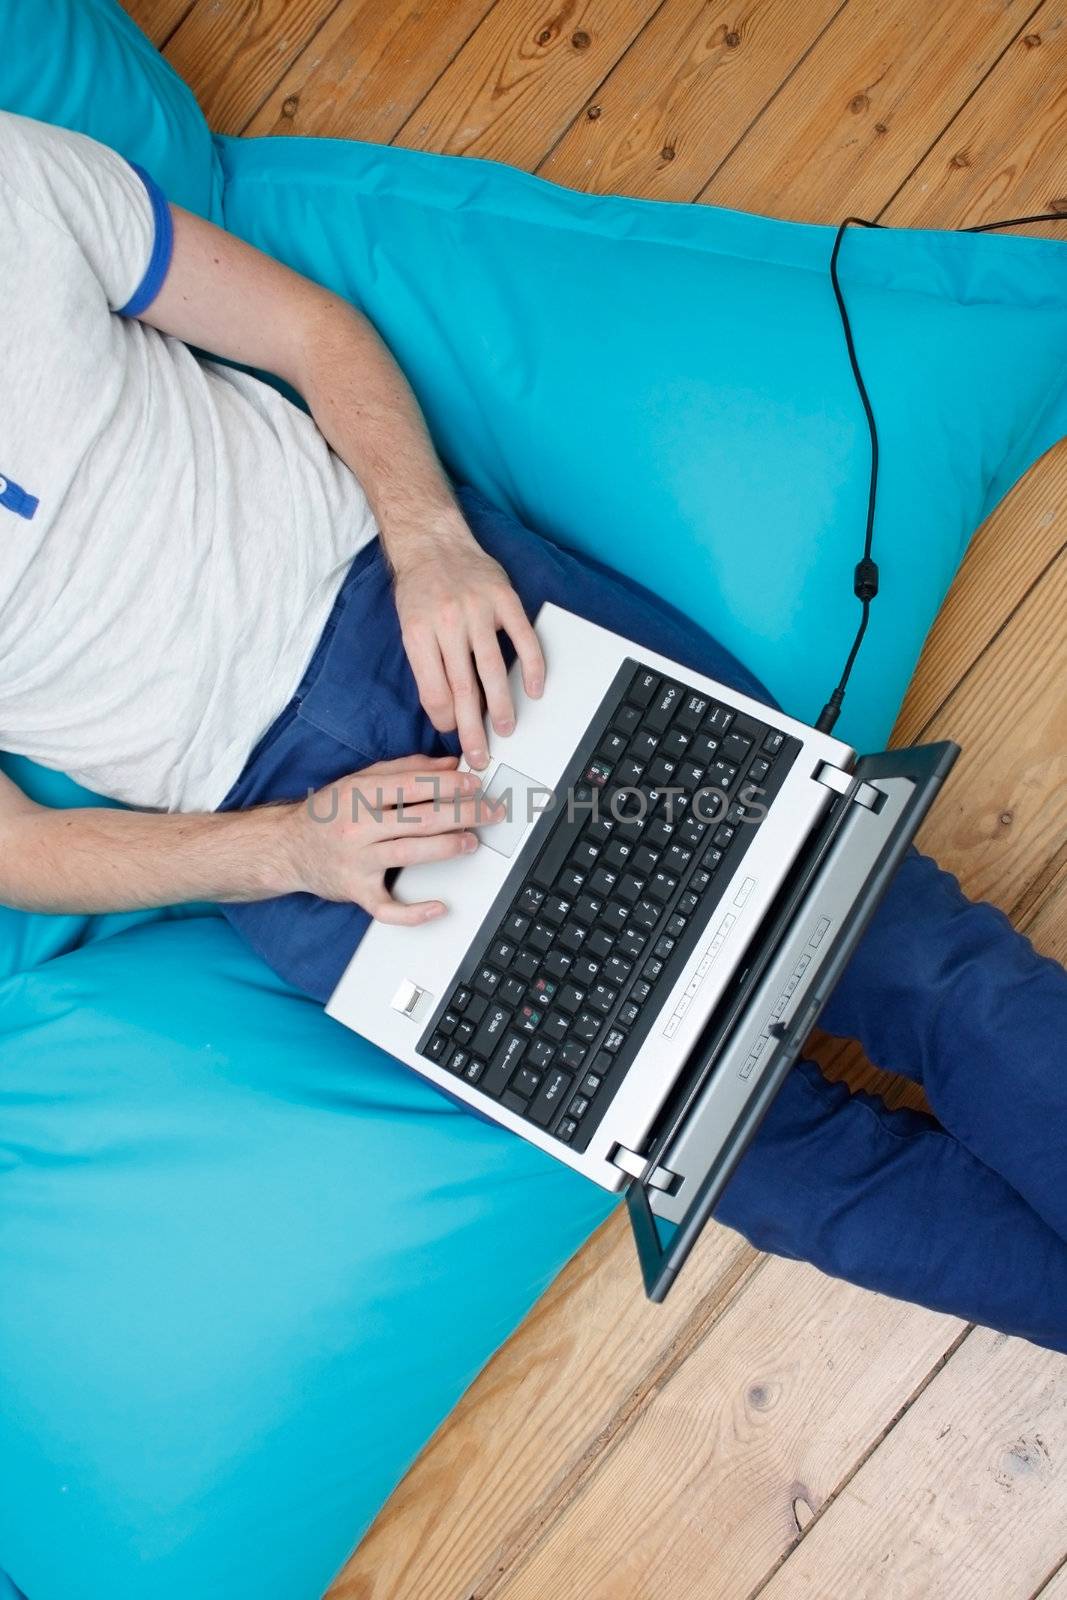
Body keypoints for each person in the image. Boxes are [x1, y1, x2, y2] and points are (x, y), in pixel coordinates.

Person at [2, 109, 1065, 1354]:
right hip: (288, 835)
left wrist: (428, 535)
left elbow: (305, 328)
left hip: (428, 605)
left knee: (906, 952)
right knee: (765, 1163)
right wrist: (287, 850)